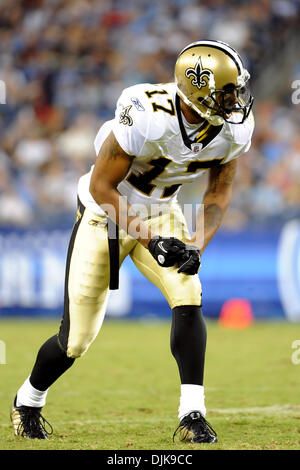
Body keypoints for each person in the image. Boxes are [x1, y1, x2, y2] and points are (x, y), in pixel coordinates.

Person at [11, 40, 254, 444]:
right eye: (226, 92)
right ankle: (28, 399)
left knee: (188, 292)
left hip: (163, 209)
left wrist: (195, 245)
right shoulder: (144, 111)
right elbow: (102, 186)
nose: (236, 100)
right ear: (198, 90)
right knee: (75, 340)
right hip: (108, 212)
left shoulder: (233, 129)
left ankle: (192, 413)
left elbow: (217, 196)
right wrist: (150, 239)